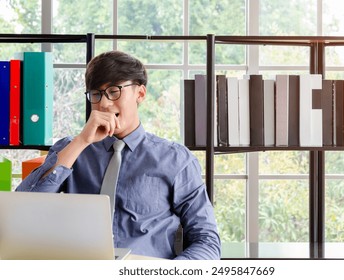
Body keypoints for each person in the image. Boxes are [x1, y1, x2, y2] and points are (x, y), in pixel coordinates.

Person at [16, 50, 221, 260]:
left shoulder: (175, 159)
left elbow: (207, 241)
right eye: (96, 94)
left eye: (114, 91)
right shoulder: (71, 149)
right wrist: (81, 142)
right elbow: (21, 211)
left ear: (140, 94)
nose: (104, 104)